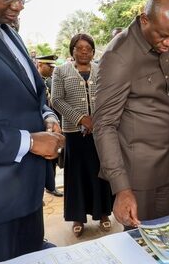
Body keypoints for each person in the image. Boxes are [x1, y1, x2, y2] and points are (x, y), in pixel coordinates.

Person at [93, 0, 169, 228]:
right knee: (141, 244)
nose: (168, 44)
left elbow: (166, 99)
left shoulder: (161, 44)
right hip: (137, 175)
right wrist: (122, 188)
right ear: (144, 20)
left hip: (162, 166)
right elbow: (104, 125)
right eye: (164, 36)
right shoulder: (119, 56)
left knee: (163, 235)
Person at [0, 0, 65, 261]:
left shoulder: (9, 32)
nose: (19, 6)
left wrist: (47, 116)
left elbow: (35, 93)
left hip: (28, 195)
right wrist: (30, 142)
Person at [51, 34, 113, 237]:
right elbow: (57, 100)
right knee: (76, 176)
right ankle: (77, 217)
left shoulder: (102, 69)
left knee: (102, 173)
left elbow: (109, 96)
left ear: (94, 51)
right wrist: (81, 118)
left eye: (88, 48)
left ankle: (104, 213)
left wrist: (97, 119)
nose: (84, 51)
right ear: (72, 51)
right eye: (79, 48)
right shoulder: (61, 71)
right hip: (74, 133)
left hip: (100, 131)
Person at [36, 54, 64, 197]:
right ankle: (38, 192)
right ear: (40, 64)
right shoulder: (34, 81)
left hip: (51, 126)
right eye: (49, 66)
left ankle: (50, 186)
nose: (52, 69)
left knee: (51, 160)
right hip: (38, 130)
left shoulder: (49, 81)